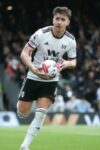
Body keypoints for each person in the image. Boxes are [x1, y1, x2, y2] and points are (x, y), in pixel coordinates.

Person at [17, 6, 76, 150]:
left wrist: (66, 63)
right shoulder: (41, 34)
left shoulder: (70, 41)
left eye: (63, 19)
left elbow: (73, 62)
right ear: (53, 19)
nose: (59, 22)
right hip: (33, 76)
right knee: (22, 113)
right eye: (57, 19)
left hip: (51, 80)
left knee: (41, 113)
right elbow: (24, 53)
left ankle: (25, 146)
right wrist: (33, 68)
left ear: (68, 22)